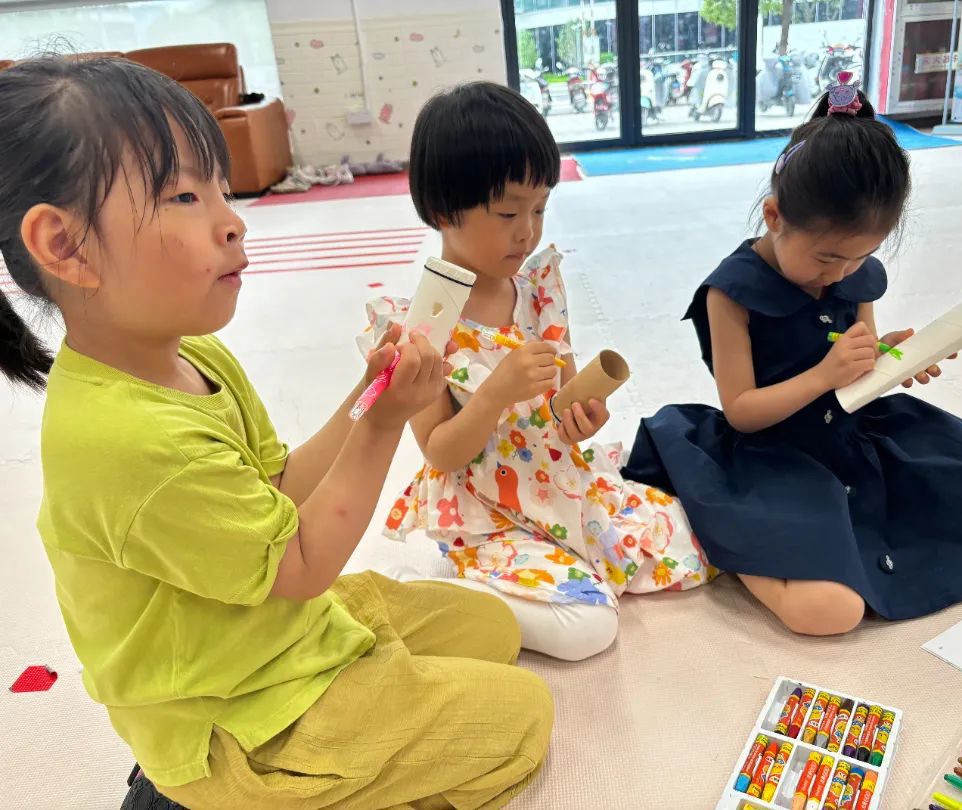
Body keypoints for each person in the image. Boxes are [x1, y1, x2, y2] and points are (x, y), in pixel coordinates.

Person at [0, 57, 551, 809]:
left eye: (221, 190)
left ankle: (365, 706)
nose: (233, 219)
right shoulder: (125, 439)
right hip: (236, 718)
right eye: (184, 195)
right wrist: (384, 423)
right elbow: (300, 565)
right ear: (65, 246)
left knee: (490, 628)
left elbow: (282, 486)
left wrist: (370, 392)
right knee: (522, 719)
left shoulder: (193, 354)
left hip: (268, 628)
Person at [622, 80, 962, 636]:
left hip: (856, 434)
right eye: (827, 258)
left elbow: (861, 364)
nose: (839, 275)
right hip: (773, 452)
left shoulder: (854, 275)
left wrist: (896, 358)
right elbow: (742, 411)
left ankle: (799, 542)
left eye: (861, 258)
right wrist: (824, 375)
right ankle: (732, 544)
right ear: (774, 216)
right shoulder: (730, 293)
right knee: (831, 612)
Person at [361, 82, 712, 662]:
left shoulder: (539, 289)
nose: (527, 230)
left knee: (688, 535)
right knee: (588, 626)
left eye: (540, 208)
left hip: (556, 482)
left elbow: (562, 404)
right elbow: (441, 453)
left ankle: (526, 572)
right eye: (508, 212)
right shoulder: (423, 326)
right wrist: (495, 392)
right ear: (444, 212)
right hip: (487, 514)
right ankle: (437, 593)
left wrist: (583, 416)